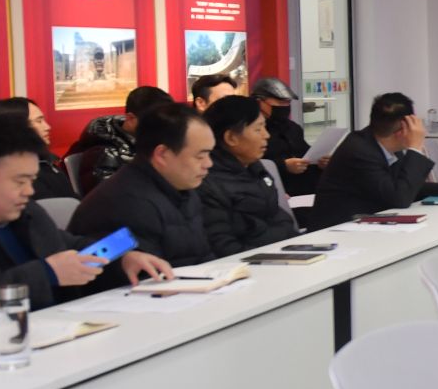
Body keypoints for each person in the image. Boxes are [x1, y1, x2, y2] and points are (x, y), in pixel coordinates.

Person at [0, 118, 172, 306]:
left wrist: (122, 260)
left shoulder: (23, 210)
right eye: (19, 181)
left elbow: (66, 244)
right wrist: (47, 273)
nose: (29, 191)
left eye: (31, 181)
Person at [69, 103, 218, 276]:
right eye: (200, 156)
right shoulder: (127, 203)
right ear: (162, 154)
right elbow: (145, 280)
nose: (209, 163)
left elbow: (200, 257)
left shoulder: (181, 188)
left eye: (209, 154)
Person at [309, 91, 438, 229]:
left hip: (366, 227)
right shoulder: (359, 151)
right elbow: (400, 198)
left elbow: (403, 185)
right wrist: (415, 147)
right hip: (337, 232)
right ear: (404, 129)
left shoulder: (385, 145)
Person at [197, 94, 301, 255]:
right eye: (258, 129)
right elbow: (223, 245)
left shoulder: (255, 168)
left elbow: (282, 220)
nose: (266, 135)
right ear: (231, 138)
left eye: (265, 127)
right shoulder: (209, 183)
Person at [66, 84, 173, 189]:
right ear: (130, 118)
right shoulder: (104, 153)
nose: (160, 129)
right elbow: (113, 196)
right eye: (153, 123)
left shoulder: (150, 141)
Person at [0, 96, 77, 201]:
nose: (47, 127)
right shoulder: (17, 175)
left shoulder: (46, 163)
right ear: (16, 127)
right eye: (38, 121)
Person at [250, 78, 317, 195]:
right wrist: (283, 166)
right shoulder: (248, 131)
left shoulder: (293, 128)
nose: (285, 106)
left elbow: (305, 153)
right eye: (280, 103)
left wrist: (319, 162)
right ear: (260, 102)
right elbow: (247, 164)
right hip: (270, 191)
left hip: (302, 193)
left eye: (288, 103)